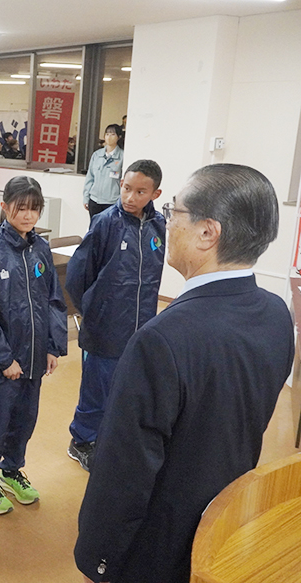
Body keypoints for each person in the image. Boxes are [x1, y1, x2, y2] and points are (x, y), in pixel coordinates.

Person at [74, 164, 294, 583]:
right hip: (223, 522)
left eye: (174, 211)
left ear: (207, 232)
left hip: (157, 545)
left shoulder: (161, 340)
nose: (168, 222)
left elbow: (123, 473)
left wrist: (97, 561)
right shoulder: (275, 314)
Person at [0, 176, 67, 515]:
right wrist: (4, 359)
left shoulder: (40, 249)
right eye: (21, 208)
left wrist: (52, 346)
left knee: (24, 420)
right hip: (1, 364)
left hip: (33, 357)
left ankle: (11, 470)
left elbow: (53, 301)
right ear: (5, 207)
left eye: (35, 209)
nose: (28, 215)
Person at [65, 160, 166, 471]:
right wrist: (94, 310)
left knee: (128, 389)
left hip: (141, 327)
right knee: (97, 390)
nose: (130, 197)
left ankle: (111, 440)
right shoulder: (105, 223)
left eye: (140, 192)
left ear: (155, 194)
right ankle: (82, 441)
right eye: (126, 188)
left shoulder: (158, 227)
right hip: (105, 327)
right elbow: (78, 275)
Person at [82, 124, 124, 221]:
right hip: (94, 200)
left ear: (119, 137)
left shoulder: (122, 156)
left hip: (112, 202)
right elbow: (90, 177)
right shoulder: (97, 155)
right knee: (95, 227)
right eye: (107, 134)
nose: (109, 137)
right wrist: (86, 197)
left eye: (112, 134)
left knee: (110, 228)